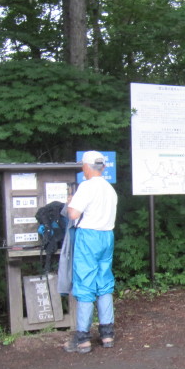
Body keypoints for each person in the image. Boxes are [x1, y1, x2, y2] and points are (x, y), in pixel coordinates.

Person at [64, 151, 118, 353]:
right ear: (103, 167)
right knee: (104, 282)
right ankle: (107, 334)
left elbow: (73, 214)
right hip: (107, 236)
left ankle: (83, 338)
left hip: (88, 237)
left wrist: (70, 202)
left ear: (86, 166)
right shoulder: (110, 189)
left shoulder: (86, 187)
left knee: (85, 283)